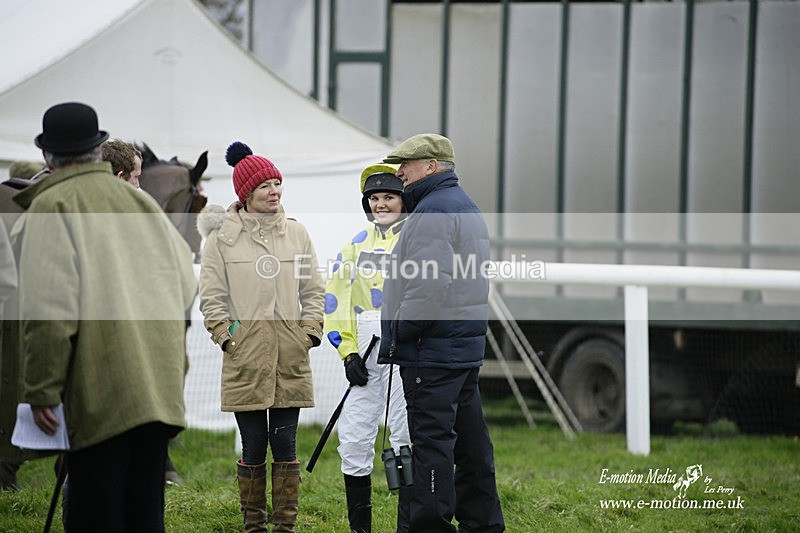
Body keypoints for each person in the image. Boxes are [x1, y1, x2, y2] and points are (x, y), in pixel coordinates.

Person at [14, 102, 196, 531]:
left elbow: (48, 309)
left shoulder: (52, 205)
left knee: (96, 519)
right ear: (97, 151)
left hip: (100, 396)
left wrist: (41, 388)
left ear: (47, 156)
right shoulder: (141, 203)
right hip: (157, 391)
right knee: (143, 520)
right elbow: (185, 287)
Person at [377, 133, 505, 532]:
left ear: (431, 166)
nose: (399, 173)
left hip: (431, 353)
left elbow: (427, 287)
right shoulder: (463, 204)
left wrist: (398, 332)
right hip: (460, 351)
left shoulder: (432, 211)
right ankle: (483, 524)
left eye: (406, 164)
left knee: (431, 449)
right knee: (471, 447)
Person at [197, 141, 325, 532]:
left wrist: (307, 334)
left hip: (290, 356)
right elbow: (211, 298)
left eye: (277, 183)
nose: (275, 191)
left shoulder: (297, 234)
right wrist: (229, 338)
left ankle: (285, 526)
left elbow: (313, 290)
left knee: (285, 445)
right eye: (265, 186)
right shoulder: (220, 240)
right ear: (246, 194)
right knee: (253, 445)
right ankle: (253, 525)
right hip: (245, 358)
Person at [324, 163, 412, 532]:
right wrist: (347, 354)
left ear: (402, 201)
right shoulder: (355, 246)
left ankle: (409, 524)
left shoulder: (417, 241)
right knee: (355, 435)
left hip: (408, 350)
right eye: (375, 198)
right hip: (366, 350)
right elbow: (336, 301)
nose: (381, 204)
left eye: (389, 197)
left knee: (406, 434)